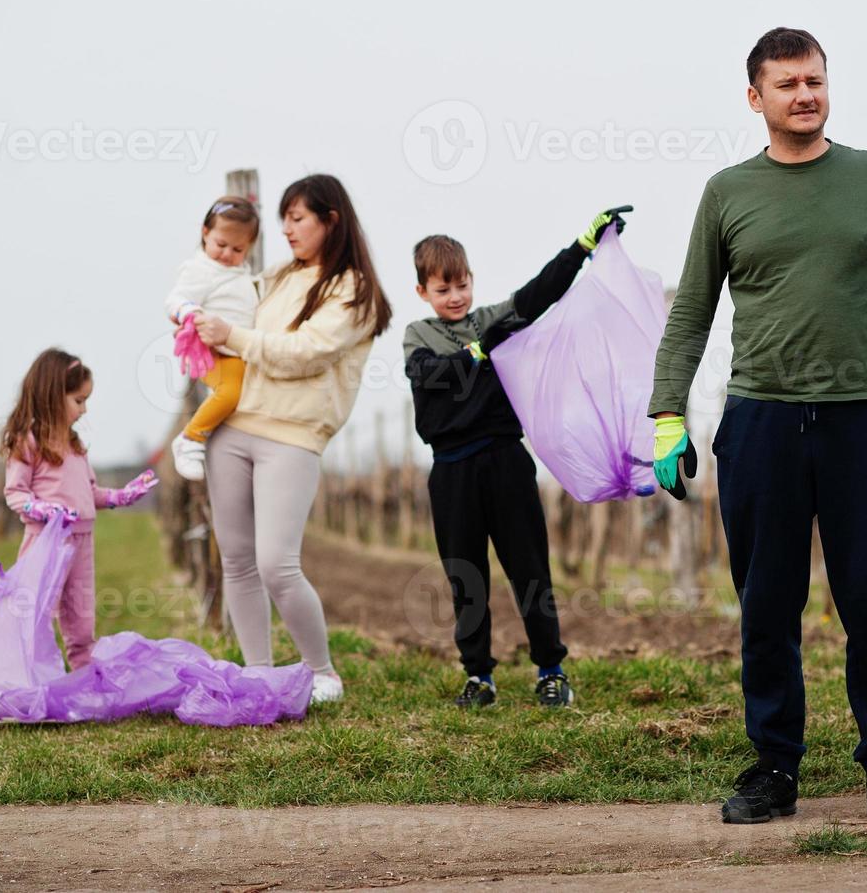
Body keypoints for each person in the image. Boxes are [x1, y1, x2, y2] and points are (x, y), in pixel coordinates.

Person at [649, 27, 867, 824]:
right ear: (756, 98)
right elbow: (690, 314)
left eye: (814, 79)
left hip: (864, 421)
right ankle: (773, 767)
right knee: (766, 608)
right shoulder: (727, 193)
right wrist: (667, 412)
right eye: (786, 84)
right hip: (762, 423)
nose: (803, 94)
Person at [402, 206, 629, 709]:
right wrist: (477, 355)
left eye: (461, 285)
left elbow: (539, 294)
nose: (455, 297)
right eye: (442, 290)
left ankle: (551, 669)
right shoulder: (418, 335)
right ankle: (479, 677)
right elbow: (429, 376)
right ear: (423, 293)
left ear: (471, 281)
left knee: (529, 571)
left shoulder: (491, 320)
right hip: (452, 471)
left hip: (506, 463)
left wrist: (583, 246)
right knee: (466, 576)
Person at [194, 174, 392, 705]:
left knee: (276, 564)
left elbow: (306, 351)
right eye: (282, 218)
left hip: (293, 438)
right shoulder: (280, 275)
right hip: (231, 429)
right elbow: (235, 308)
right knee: (235, 560)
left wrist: (232, 336)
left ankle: (322, 671)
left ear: (331, 220)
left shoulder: (353, 291)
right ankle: (257, 672)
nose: (286, 229)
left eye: (297, 218)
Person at [1, 348, 159, 670]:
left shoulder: (75, 445)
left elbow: (89, 493)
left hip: (82, 542)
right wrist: (44, 510)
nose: (84, 409)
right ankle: (31, 679)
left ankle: (84, 678)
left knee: (81, 620)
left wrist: (120, 496)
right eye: (78, 400)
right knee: (36, 615)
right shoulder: (28, 441)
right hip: (46, 542)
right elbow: (15, 494)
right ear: (51, 395)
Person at [166, 196, 262, 482]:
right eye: (221, 245)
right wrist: (190, 312)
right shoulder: (201, 270)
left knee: (238, 392)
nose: (226, 254)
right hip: (212, 351)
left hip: (234, 350)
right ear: (205, 233)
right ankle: (190, 439)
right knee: (230, 391)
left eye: (238, 249)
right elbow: (175, 298)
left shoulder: (238, 272)